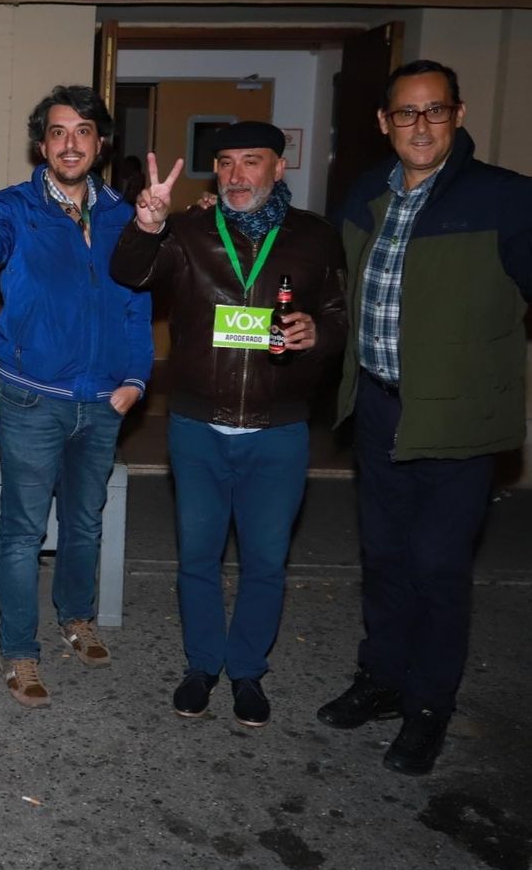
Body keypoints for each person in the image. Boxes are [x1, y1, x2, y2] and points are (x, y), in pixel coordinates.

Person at [319, 60, 532, 774]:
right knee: (384, 560)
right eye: (407, 113)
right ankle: (382, 678)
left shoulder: (507, 198)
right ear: (384, 123)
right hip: (382, 409)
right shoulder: (364, 192)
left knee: (438, 569)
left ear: (458, 115)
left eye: (436, 111)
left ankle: (428, 706)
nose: (421, 125)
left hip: (457, 418)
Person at [110, 121, 347, 726]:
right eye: (226, 163)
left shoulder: (316, 237)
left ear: (278, 168)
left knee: (266, 560)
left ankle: (247, 673)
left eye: (251, 161)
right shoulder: (188, 230)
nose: (237, 176)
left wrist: (319, 334)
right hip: (197, 425)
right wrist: (147, 223)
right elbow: (129, 273)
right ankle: (201, 666)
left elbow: (340, 318)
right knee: (198, 556)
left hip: (279, 427)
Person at [0, 85, 151, 708]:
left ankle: (77, 617)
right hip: (31, 402)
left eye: (83, 132)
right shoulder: (12, 207)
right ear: (41, 144)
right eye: (58, 132)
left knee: (85, 521)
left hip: (102, 402)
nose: (71, 143)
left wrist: (135, 381)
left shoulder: (124, 215)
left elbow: (135, 303)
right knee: (21, 532)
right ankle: (20, 652)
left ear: (100, 143)